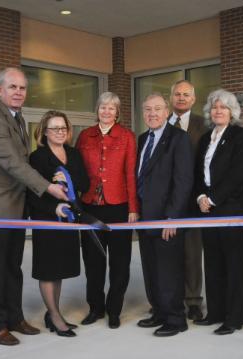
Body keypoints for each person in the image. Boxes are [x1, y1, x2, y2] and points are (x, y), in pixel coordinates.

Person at [0, 67, 68, 346]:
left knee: (13, 267)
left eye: (22, 88)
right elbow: (13, 163)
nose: (18, 92)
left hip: (15, 208)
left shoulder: (17, 117)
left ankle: (14, 318)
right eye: (12, 87)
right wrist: (48, 186)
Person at [75, 92, 138, 329]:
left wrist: (133, 207)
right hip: (91, 206)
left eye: (112, 108)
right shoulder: (84, 136)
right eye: (103, 107)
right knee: (93, 261)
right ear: (97, 109)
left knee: (120, 262)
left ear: (117, 112)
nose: (107, 111)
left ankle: (114, 310)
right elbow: (78, 171)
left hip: (119, 206)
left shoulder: (127, 136)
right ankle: (95, 308)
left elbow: (131, 174)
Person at [27, 111, 89, 337]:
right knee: (48, 268)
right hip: (47, 219)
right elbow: (32, 194)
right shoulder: (38, 157)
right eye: (54, 128)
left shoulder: (73, 153)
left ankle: (54, 311)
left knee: (59, 269)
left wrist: (67, 178)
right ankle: (54, 315)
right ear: (44, 131)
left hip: (68, 220)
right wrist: (53, 207)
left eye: (63, 128)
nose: (60, 132)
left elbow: (85, 182)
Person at [136, 93, 193, 337]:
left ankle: (175, 318)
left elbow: (183, 181)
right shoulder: (141, 139)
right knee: (151, 268)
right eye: (148, 109)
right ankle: (158, 310)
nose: (152, 113)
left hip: (166, 218)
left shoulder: (178, 138)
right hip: (144, 217)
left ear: (167, 111)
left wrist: (173, 217)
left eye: (157, 109)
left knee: (169, 271)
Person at [193, 89, 243, 335]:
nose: (218, 111)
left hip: (231, 208)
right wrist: (201, 197)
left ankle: (233, 318)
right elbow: (198, 173)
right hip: (208, 210)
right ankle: (214, 312)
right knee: (213, 262)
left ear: (232, 112)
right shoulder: (206, 138)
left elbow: (238, 174)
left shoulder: (240, 136)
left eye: (223, 108)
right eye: (215, 107)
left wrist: (213, 198)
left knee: (233, 265)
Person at [168, 80, 207, 320]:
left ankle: (193, 300)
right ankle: (170, 298)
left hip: (193, 201)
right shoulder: (161, 122)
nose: (181, 98)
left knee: (192, 254)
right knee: (169, 253)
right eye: (178, 94)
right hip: (166, 201)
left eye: (186, 95)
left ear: (193, 99)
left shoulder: (204, 125)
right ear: (171, 97)